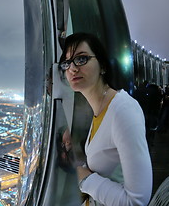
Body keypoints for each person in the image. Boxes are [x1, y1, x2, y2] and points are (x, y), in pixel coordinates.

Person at [58, 33, 152, 205]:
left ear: (102, 66)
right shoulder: (100, 109)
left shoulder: (123, 111)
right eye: (67, 63)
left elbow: (136, 202)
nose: (72, 68)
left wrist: (84, 178)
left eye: (81, 59)